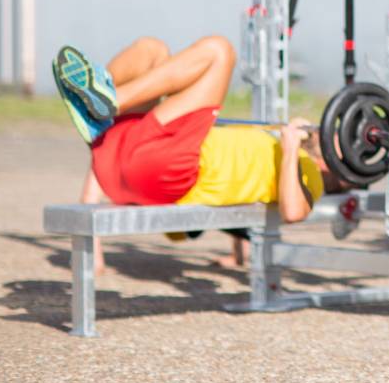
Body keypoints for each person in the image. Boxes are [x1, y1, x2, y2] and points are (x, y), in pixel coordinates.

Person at [53, 35, 328, 273]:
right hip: (126, 165)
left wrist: (291, 148)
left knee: (220, 51)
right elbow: (241, 204)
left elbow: (292, 212)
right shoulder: (270, 139)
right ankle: (99, 104)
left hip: (172, 169)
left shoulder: (308, 172)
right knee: (152, 49)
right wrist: (93, 250)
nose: (331, 132)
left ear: (332, 166)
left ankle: (108, 101)